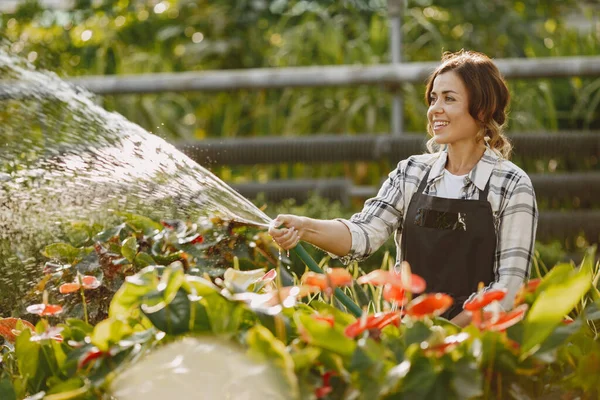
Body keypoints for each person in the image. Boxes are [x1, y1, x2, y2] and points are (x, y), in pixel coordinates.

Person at [268, 50, 538, 327]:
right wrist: (304, 227)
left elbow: (508, 288)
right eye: (433, 98)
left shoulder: (511, 185)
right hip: (409, 336)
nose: (435, 109)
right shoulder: (411, 173)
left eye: (449, 99)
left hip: (477, 343)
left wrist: (448, 335)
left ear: (481, 109)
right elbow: (363, 235)